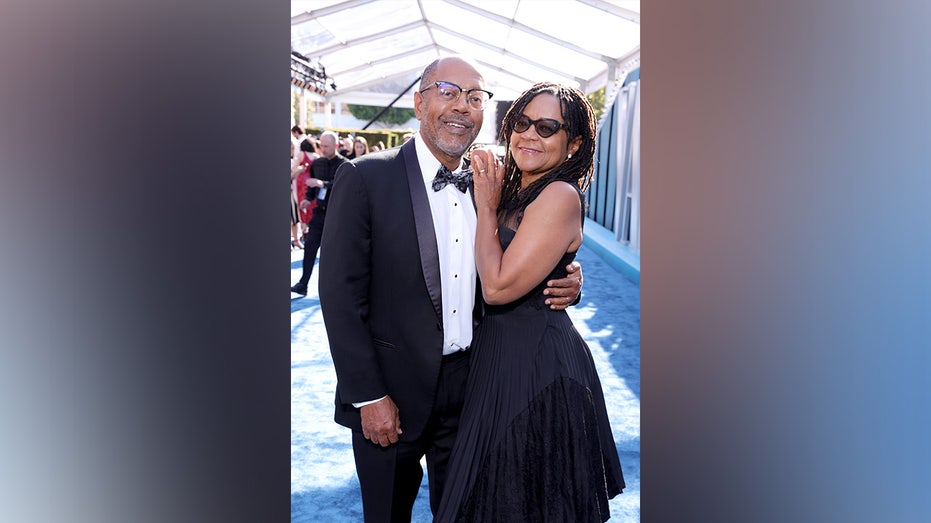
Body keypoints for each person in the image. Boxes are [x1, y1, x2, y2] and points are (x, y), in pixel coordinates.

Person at [318, 58, 584, 523]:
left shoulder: (497, 181)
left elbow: (524, 249)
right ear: (419, 103)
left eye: (475, 98)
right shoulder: (365, 178)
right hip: (390, 392)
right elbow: (340, 296)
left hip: (477, 389)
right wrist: (368, 395)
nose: (462, 106)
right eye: (447, 91)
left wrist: (568, 274)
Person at [435, 82, 625, 522]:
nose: (529, 136)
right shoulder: (517, 187)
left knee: (522, 502)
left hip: (538, 371)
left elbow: (497, 287)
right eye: (522, 123)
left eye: (546, 127)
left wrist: (486, 209)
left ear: (572, 142)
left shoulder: (557, 195)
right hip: (499, 362)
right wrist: (567, 275)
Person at [291, 131, 348, 296]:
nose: (322, 149)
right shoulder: (318, 163)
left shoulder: (345, 164)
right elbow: (312, 187)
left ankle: (338, 289)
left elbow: (341, 185)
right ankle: (303, 283)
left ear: (336, 146)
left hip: (337, 216)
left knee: (335, 254)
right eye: (321, 145)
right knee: (309, 247)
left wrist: (322, 184)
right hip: (319, 213)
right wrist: (308, 199)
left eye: (326, 146)